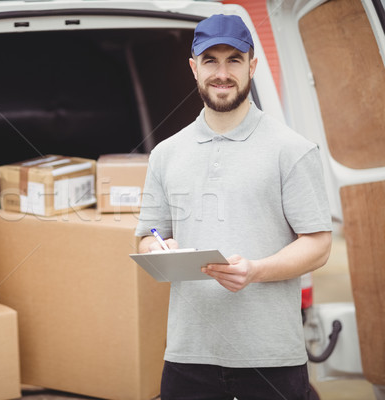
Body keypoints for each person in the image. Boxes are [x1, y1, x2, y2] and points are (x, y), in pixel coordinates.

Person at [135, 14, 332, 400]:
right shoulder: (165, 154)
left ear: (252, 66)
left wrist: (256, 271)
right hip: (188, 357)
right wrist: (158, 249)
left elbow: (319, 244)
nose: (222, 73)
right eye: (210, 60)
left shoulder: (291, 150)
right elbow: (147, 236)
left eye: (234, 60)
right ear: (194, 68)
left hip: (271, 359)